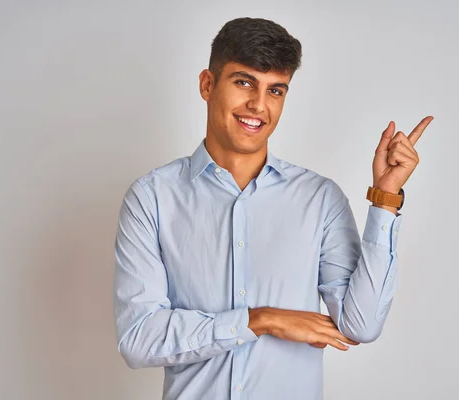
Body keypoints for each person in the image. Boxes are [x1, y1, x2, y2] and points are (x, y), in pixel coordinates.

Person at [112, 16, 433, 400]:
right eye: (244, 82)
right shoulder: (152, 198)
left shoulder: (320, 199)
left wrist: (385, 200)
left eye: (276, 90)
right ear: (207, 84)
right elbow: (138, 338)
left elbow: (360, 324)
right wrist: (260, 321)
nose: (259, 105)